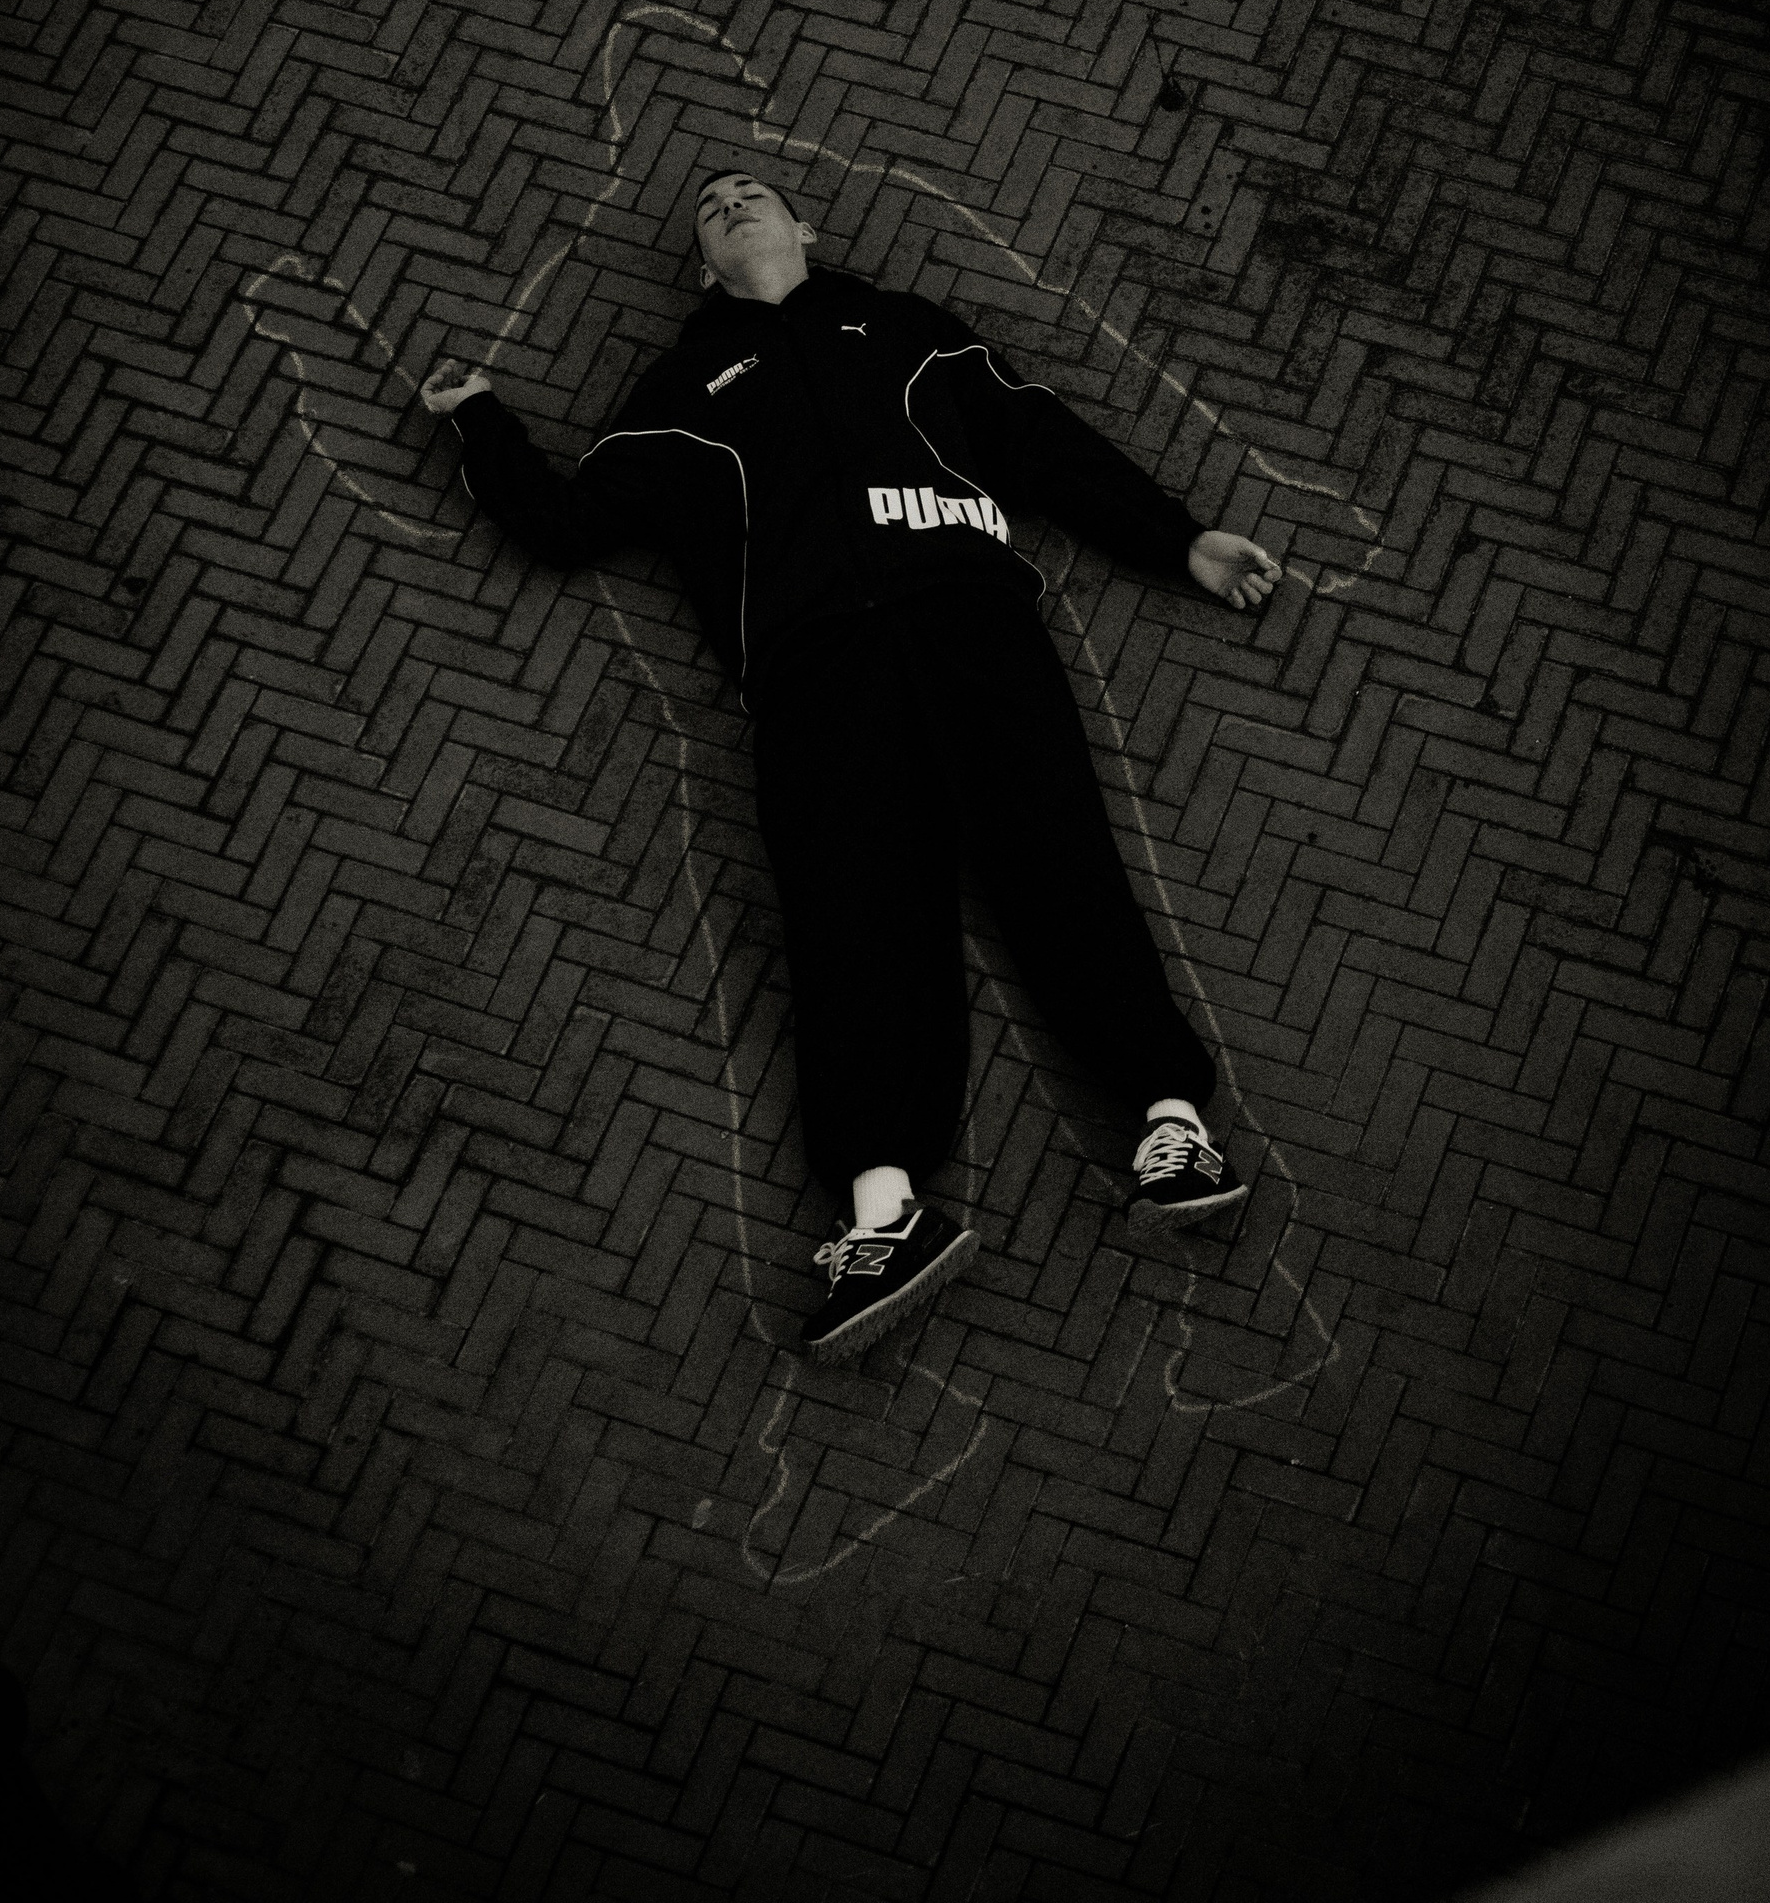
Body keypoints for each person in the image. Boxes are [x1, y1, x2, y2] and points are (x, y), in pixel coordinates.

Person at [424, 171, 1279, 1363]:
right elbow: (570, 526)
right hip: (815, 675)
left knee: (1058, 859)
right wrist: (478, 421)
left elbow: (1039, 441)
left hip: (974, 630)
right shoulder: (679, 393)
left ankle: (1172, 1129)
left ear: (805, 229)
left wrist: (1177, 539)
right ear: (703, 266)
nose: (731, 203)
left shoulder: (910, 331)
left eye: (751, 191)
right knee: (850, 921)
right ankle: (885, 1217)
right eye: (710, 205)